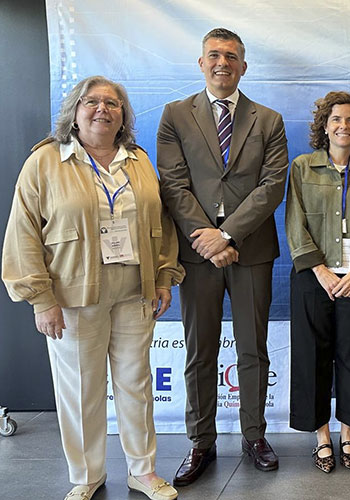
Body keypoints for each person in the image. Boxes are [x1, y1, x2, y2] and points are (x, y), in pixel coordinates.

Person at [2, 76, 183, 500]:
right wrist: (40, 300)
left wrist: (162, 276)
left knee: (136, 384)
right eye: (92, 102)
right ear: (75, 111)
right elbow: (23, 233)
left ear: (123, 115)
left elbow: (162, 224)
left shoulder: (137, 160)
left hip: (134, 292)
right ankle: (87, 475)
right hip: (72, 296)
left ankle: (144, 471)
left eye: (112, 103)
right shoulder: (45, 162)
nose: (102, 109)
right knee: (81, 388)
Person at [156, 28, 289, 485]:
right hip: (197, 254)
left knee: (253, 347)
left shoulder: (268, 119)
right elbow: (173, 183)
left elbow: (272, 186)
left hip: (251, 251)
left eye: (231, 56)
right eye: (214, 55)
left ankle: (254, 435)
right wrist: (205, 238)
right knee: (200, 351)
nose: (222, 63)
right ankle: (201, 442)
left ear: (243, 67)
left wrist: (226, 234)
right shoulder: (175, 115)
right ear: (201, 63)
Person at [286, 91, 350, 473]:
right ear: (324, 126)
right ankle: (322, 436)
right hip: (314, 278)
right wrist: (320, 270)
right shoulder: (302, 168)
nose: (343, 126)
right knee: (312, 357)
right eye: (336, 119)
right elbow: (295, 223)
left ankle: (348, 433)